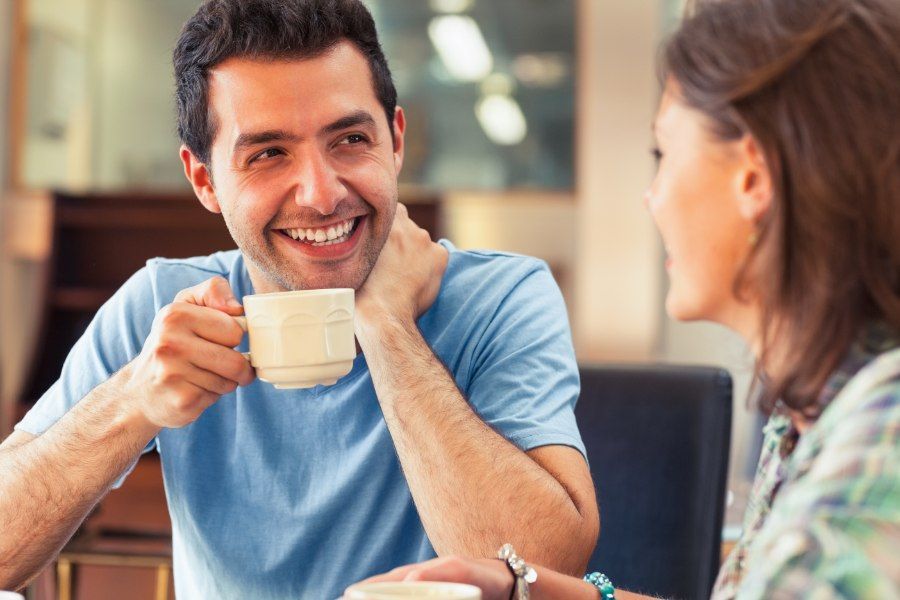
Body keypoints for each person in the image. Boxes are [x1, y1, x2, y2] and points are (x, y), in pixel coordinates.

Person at [0, 1, 599, 598]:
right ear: (205, 179)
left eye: (350, 139)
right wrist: (131, 400)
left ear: (394, 140)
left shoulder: (501, 298)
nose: (321, 194)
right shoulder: (161, 305)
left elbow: (548, 569)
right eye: (267, 154)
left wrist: (388, 326)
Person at [359, 0, 900, 597]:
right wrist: (527, 590)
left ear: (753, 178)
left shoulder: (882, 440)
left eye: (663, 155)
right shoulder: (807, 414)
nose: (653, 197)